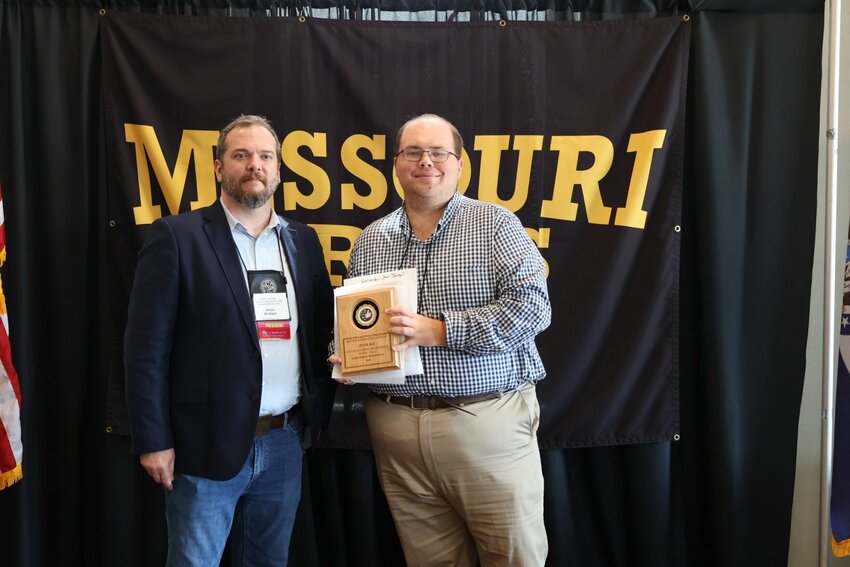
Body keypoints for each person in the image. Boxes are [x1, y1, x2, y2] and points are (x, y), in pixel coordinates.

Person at [331, 114, 551, 566]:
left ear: (459, 163)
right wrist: (348, 356)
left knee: (515, 558)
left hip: (484, 420)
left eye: (438, 152)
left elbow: (533, 308)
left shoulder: (495, 225)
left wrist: (442, 330)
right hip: (396, 431)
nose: (425, 161)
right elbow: (354, 321)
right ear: (396, 164)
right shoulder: (372, 240)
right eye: (413, 152)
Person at [124, 114, 335, 566]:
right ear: (219, 167)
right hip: (202, 444)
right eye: (241, 155)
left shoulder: (302, 240)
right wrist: (153, 438)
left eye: (265, 156)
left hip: (284, 442)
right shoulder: (177, 237)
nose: (254, 165)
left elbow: (320, 333)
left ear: (278, 170)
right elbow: (145, 350)